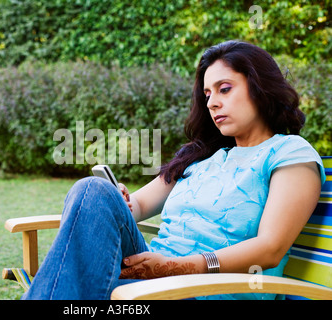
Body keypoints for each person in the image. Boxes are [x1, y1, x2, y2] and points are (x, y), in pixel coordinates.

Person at [22, 41, 326, 300]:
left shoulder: (289, 153)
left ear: (260, 87)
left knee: (79, 291)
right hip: (151, 277)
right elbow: (138, 206)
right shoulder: (200, 157)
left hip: (209, 287)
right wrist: (122, 203)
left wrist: (176, 267)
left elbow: (270, 248)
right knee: (93, 189)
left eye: (224, 89)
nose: (212, 103)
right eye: (207, 94)